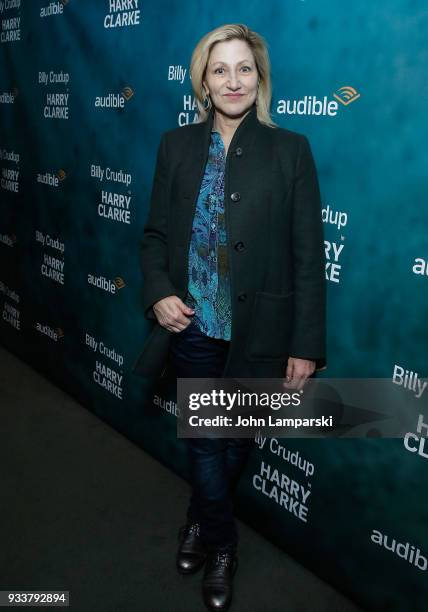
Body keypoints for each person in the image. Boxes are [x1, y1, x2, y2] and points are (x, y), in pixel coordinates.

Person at [132, 23, 327, 612]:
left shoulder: (290, 150)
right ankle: (222, 547)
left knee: (236, 438)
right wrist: (160, 292)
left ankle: (199, 518)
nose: (233, 80)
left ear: (259, 80)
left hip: (263, 330)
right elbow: (154, 237)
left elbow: (307, 257)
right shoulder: (176, 145)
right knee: (206, 439)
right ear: (203, 82)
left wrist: (306, 342)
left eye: (245, 68)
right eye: (221, 69)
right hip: (191, 325)